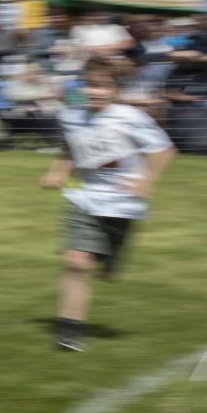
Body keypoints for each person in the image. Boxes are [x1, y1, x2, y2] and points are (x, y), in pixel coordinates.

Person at [41, 60, 174, 352]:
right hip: (85, 197)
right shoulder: (72, 115)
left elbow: (163, 149)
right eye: (91, 84)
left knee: (106, 268)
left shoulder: (130, 117)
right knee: (76, 262)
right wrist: (59, 172)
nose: (95, 91)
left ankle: (112, 255)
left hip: (122, 202)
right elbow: (69, 146)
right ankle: (69, 332)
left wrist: (146, 182)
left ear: (115, 89)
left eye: (103, 85)